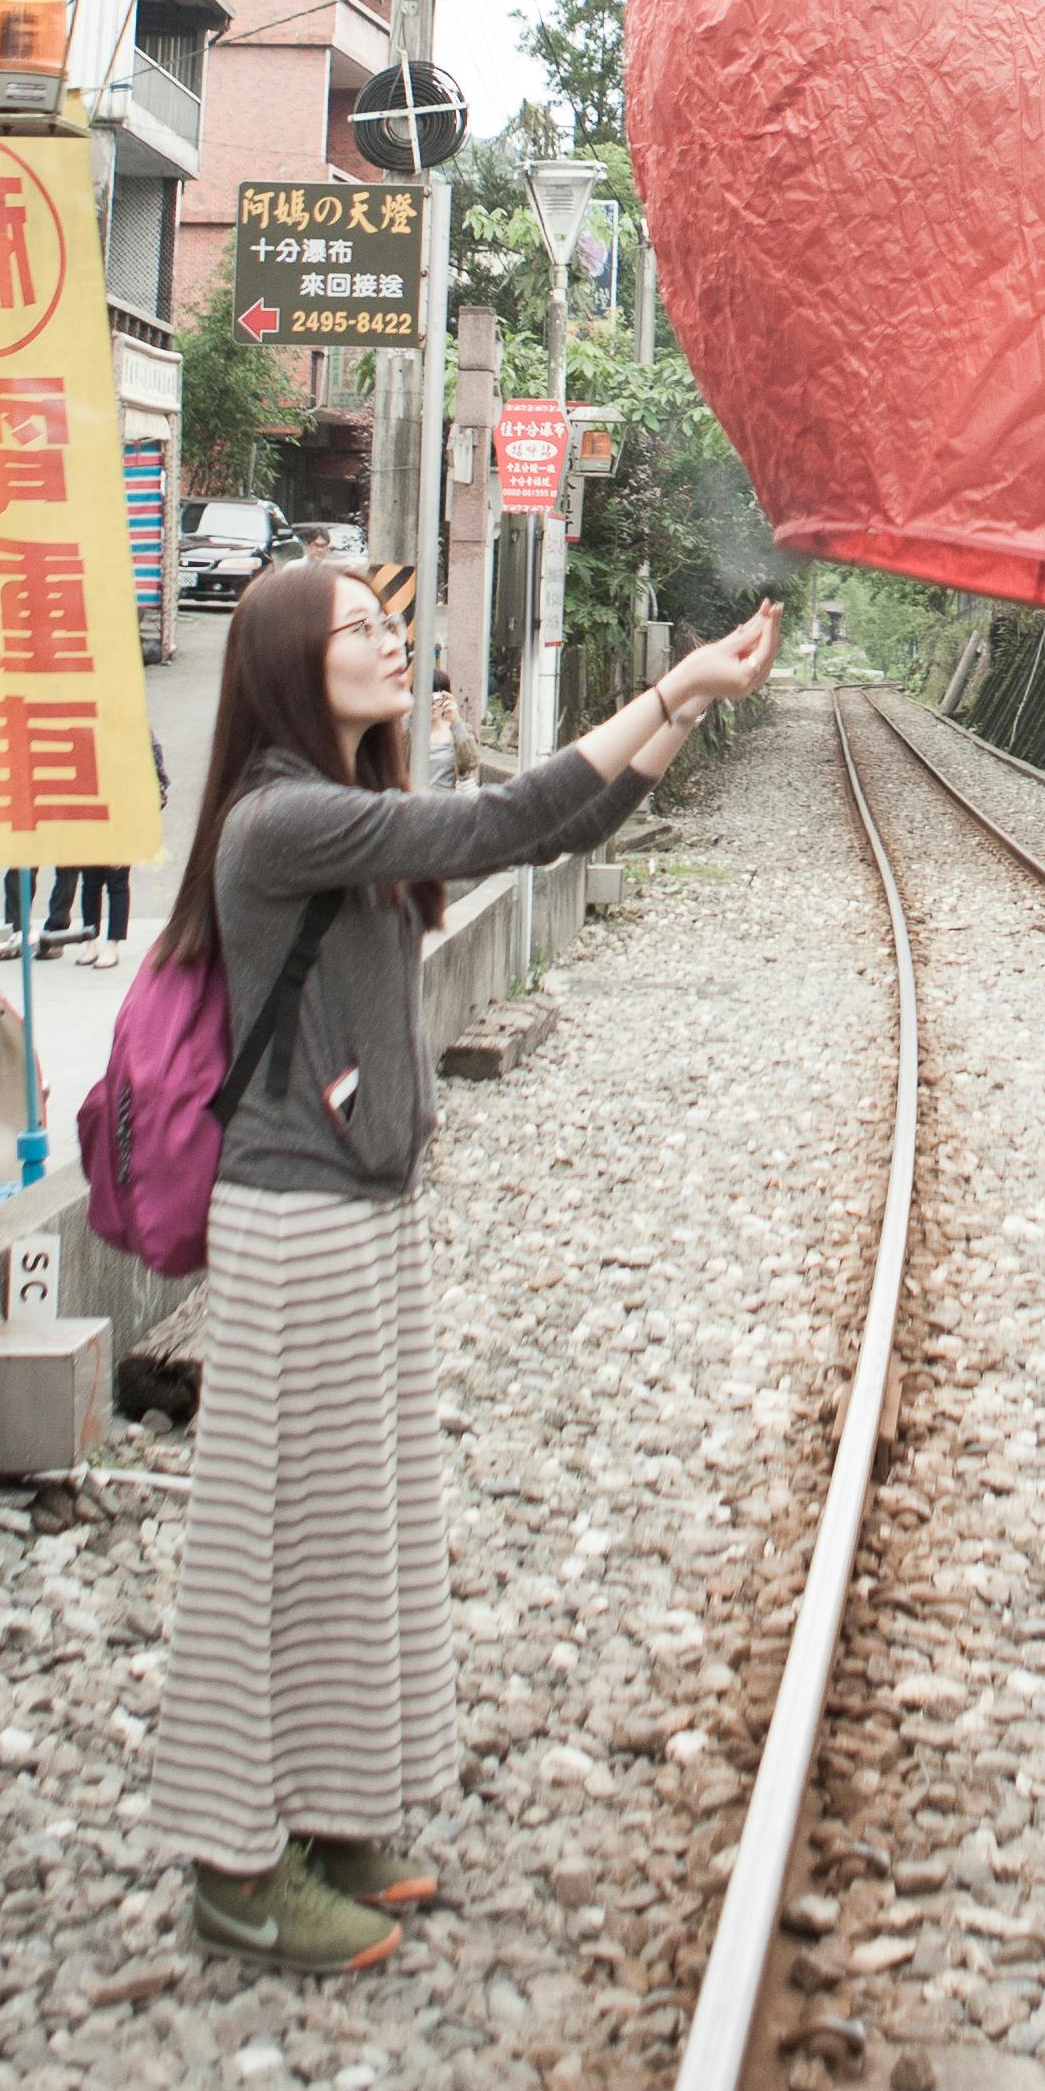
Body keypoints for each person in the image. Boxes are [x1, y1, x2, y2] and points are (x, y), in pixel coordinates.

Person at [149, 560, 782, 1972]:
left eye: (385, 624)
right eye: (358, 630)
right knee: (271, 1550)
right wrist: (674, 684)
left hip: (357, 1215)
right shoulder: (282, 820)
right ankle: (232, 1869)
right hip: (294, 1222)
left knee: (351, 1535)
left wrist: (690, 709)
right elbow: (507, 817)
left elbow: (559, 827)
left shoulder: (349, 815)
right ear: (287, 668)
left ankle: (330, 1816)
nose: (386, 640)